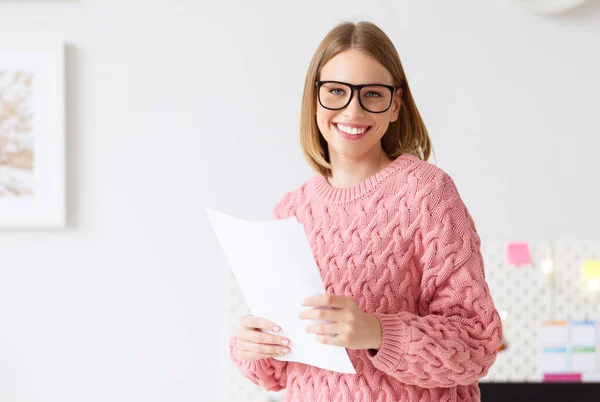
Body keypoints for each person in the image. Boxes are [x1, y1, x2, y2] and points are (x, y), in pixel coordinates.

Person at [229, 20, 503, 402]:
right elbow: (276, 373)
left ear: (396, 105)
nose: (353, 110)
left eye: (372, 94)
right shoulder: (290, 210)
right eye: (336, 91)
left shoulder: (427, 193)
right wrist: (252, 347)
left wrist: (377, 332)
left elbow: (477, 342)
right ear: (314, 101)